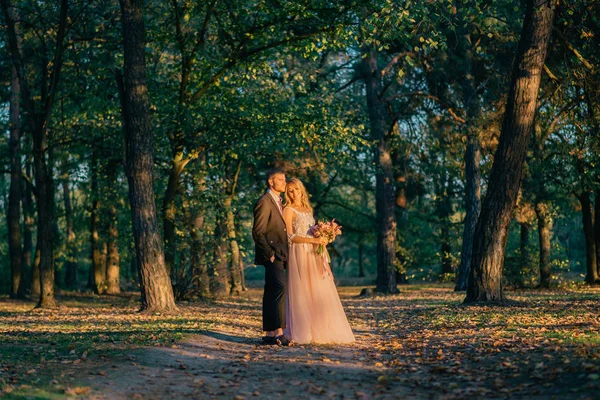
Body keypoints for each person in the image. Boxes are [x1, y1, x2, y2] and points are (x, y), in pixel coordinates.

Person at [282, 178, 355, 344]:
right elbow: (289, 237)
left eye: (296, 190)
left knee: (317, 288)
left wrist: (323, 237)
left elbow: (312, 231)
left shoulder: (308, 209)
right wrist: (313, 241)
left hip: (314, 252)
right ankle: (304, 331)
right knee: (303, 289)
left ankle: (321, 329)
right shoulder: (288, 210)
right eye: (290, 191)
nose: (293, 193)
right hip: (300, 251)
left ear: (302, 190)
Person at [252, 169, 292, 346]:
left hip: (280, 253)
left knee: (270, 292)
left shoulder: (277, 201)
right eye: (281, 180)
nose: (285, 182)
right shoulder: (264, 201)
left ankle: (268, 334)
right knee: (280, 289)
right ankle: (279, 333)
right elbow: (258, 232)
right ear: (271, 181)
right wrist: (269, 254)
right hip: (273, 255)